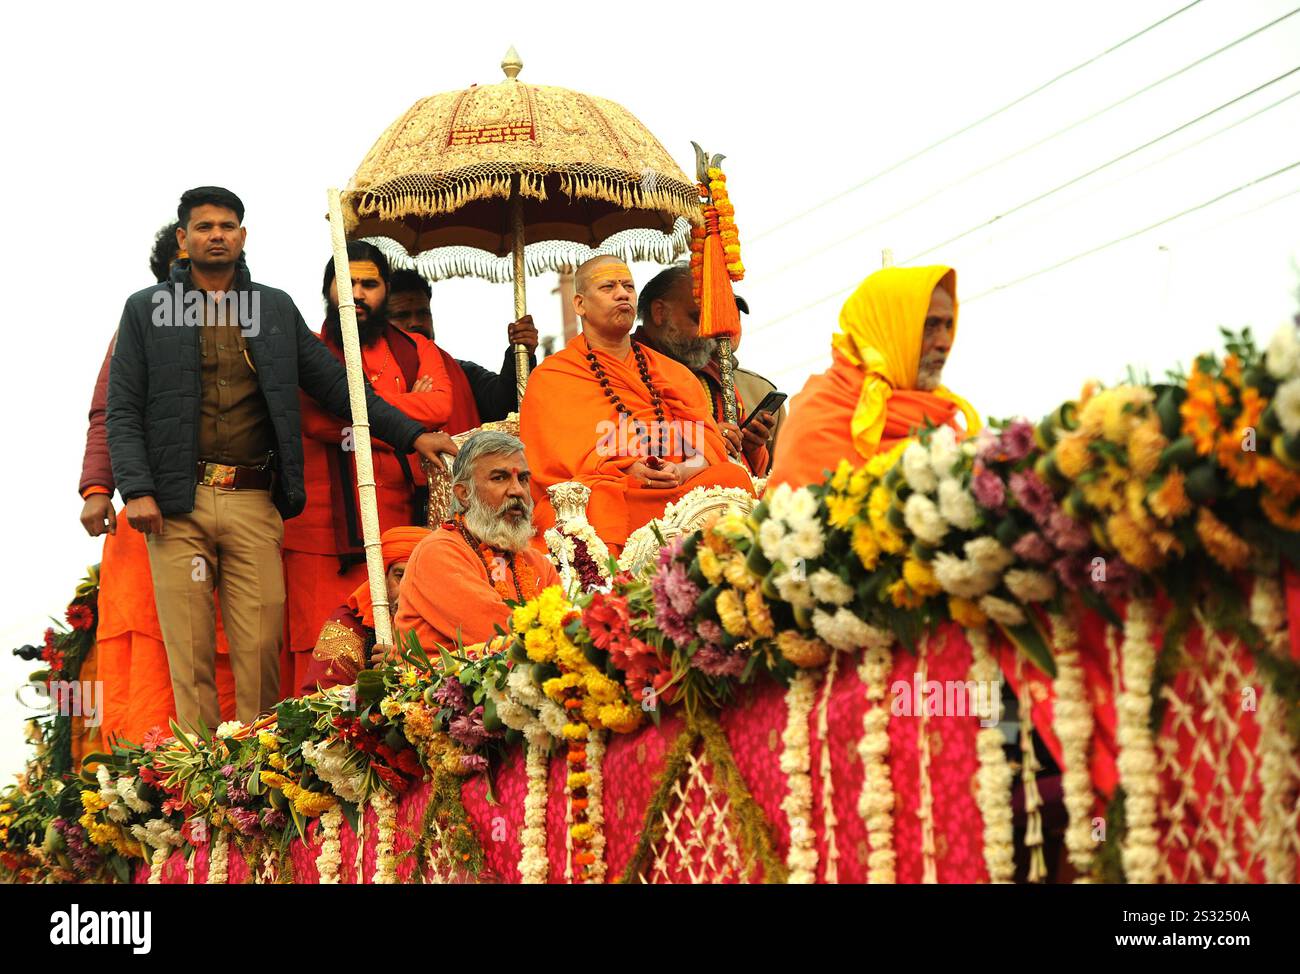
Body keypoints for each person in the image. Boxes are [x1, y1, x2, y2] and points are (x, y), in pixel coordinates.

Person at [107, 186, 457, 732]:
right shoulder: (146, 311)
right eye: (204, 227)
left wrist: (411, 435)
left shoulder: (271, 309)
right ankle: (202, 771)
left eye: (227, 226)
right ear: (183, 238)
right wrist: (136, 490)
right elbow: (122, 407)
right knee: (190, 651)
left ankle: (253, 770)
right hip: (177, 502)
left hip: (252, 498)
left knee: (260, 643)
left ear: (243, 236)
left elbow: (340, 388)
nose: (216, 235)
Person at [80, 221, 237, 744]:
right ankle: (152, 773)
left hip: (235, 507)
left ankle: (232, 768)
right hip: (151, 512)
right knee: (148, 644)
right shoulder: (139, 326)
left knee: (229, 643)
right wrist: (98, 488)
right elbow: (109, 413)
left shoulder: (253, 320)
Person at [281, 242, 453, 695]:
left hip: (401, 532)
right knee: (322, 656)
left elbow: (440, 406)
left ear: (386, 290)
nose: (357, 294)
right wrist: (404, 421)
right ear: (327, 290)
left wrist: (358, 412)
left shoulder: (415, 349)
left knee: (405, 648)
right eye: (346, 283)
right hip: (322, 539)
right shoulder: (308, 351)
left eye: (369, 284)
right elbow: (316, 422)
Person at [519, 256, 755, 554]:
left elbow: (707, 446)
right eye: (608, 287)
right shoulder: (552, 377)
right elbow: (553, 467)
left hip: (679, 488)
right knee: (594, 503)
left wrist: (682, 470)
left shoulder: (672, 372)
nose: (622, 294)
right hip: (618, 493)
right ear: (580, 304)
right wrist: (628, 470)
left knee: (732, 477)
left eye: (628, 286)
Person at [766, 265, 981, 490]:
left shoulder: (941, 416)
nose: (944, 342)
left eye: (948, 326)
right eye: (930, 325)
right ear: (886, 329)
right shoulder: (819, 416)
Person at [395, 431, 560, 651]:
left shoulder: (537, 563)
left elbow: (565, 628)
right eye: (499, 478)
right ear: (464, 493)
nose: (517, 490)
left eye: (522, 479)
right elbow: (495, 631)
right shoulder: (438, 552)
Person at [635, 264, 781, 474]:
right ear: (660, 312)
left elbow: (745, 468)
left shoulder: (714, 374)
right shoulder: (625, 366)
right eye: (698, 319)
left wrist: (749, 446)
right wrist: (707, 439)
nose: (708, 333)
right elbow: (620, 441)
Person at [387, 269, 538, 427]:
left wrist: (519, 354)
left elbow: (504, 406)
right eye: (402, 315)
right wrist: (412, 408)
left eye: (423, 313)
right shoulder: (374, 381)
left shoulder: (463, 372)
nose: (415, 323)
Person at [296, 525, 430, 694]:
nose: (406, 589)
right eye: (400, 576)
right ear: (383, 578)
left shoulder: (446, 621)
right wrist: (368, 689)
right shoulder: (351, 624)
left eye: (418, 578)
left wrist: (410, 672)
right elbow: (318, 701)